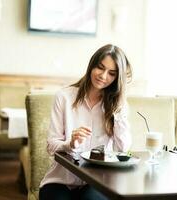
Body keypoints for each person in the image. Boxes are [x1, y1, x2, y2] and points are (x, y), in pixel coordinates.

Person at [39, 44, 133, 200]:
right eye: (100, 68)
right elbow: (51, 146)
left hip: (98, 182)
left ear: (117, 78)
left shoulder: (118, 107)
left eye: (111, 73)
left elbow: (123, 149)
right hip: (61, 181)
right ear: (92, 65)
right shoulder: (64, 97)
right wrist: (70, 144)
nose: (103, 76)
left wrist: (119, 110)